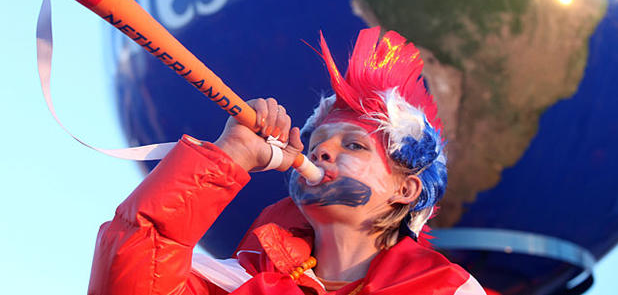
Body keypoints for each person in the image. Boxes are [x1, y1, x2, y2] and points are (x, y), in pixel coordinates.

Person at [88, 27, 485, 295]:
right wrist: (230, 156)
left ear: (406, 189)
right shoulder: (238, 283)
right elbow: (130, 274)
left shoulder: (448, 289)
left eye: (355, 146)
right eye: (317, 147)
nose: (323, 152)